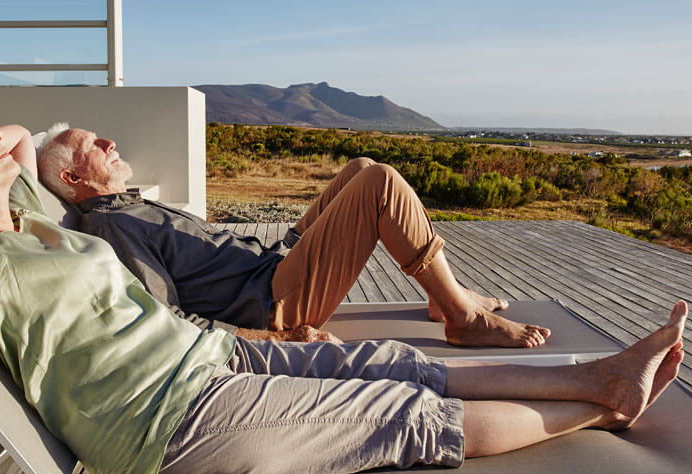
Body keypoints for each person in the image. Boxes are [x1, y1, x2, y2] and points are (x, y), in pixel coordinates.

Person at [0, 85, 686, 474]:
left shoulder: (34, 224)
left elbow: (26, 139)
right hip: (165, 422)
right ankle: (602, 400)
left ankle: (595, 368)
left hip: (210, 359)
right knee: (399, 416)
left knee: (393, 362)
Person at [37, 126, 552, 347]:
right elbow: (165, 320)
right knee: (380, 184)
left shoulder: (126, 206)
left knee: (361, 166)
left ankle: (446, 295)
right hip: (273, 299)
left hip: (270, 262)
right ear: (73, 180)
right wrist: (279, 339)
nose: (108, 142)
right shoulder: (113, 228)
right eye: (92, 146)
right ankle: (461, 318)